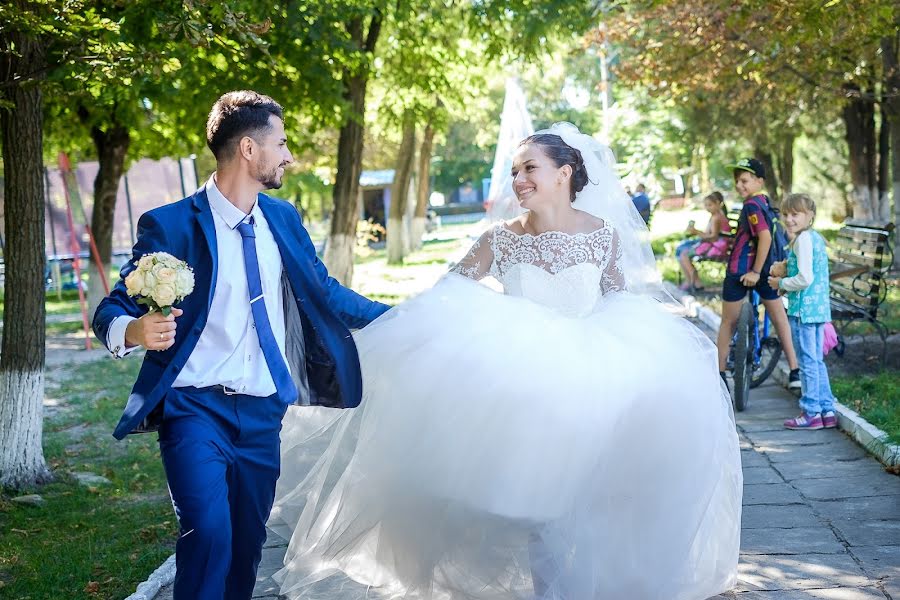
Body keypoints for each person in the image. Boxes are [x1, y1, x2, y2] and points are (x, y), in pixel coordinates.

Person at [270, 123, 742, 600]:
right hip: (524, 385)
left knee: (591, 497)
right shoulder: (500, 239)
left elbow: (618, 301)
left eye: (529, 168)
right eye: (515, 171)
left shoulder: (603, 237)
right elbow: (446, 300)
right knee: (538, 505)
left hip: (592, 377)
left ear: (565, 173)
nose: (518, 180)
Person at [92, 90, 390, 600]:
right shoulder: (169, 225)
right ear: (249, 150)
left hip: (262, 410)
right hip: (194, 408)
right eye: (281, 143)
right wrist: (133, 331)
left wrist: (400, 320)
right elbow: (112, 307)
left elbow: (325, 292)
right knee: (207, 532)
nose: (289, 155)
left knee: (247, 544)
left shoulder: (284, 219)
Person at [715, 158, 800, 391]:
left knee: (727, 322)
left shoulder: (752, 205)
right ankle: (795, 371)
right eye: (737, 181)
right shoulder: (765, 202)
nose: (739, 185)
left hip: (743, 271)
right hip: (768, 271)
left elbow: (765, 237)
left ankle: (719, 375)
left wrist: (753, 271)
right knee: (779, 319)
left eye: (744, 180)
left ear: (759, 181)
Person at [767, 194, 838, 430]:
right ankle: (827, 410)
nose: (789, 219)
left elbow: (805, 278)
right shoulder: (815, 238)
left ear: (810, 216)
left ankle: (810, 412)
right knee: (815, 361)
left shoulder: (802, 240)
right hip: (817, 310)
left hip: (804, 312)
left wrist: (781, 284)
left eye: (795, 214)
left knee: (807, 362)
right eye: (785, 214)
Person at [675, 191, 732, 291]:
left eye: (710, 205)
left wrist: (696, 232)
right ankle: (690, 281)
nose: (707, 208)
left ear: (718, 204)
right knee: (682, 253)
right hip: (714, 244)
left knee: (684, 255)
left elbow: (714, 237)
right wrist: (696, 232)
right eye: (706, 205)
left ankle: (695, 283)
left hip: (716, 247)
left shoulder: (716, 218)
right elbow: (708, 234)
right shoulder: (715, 216)